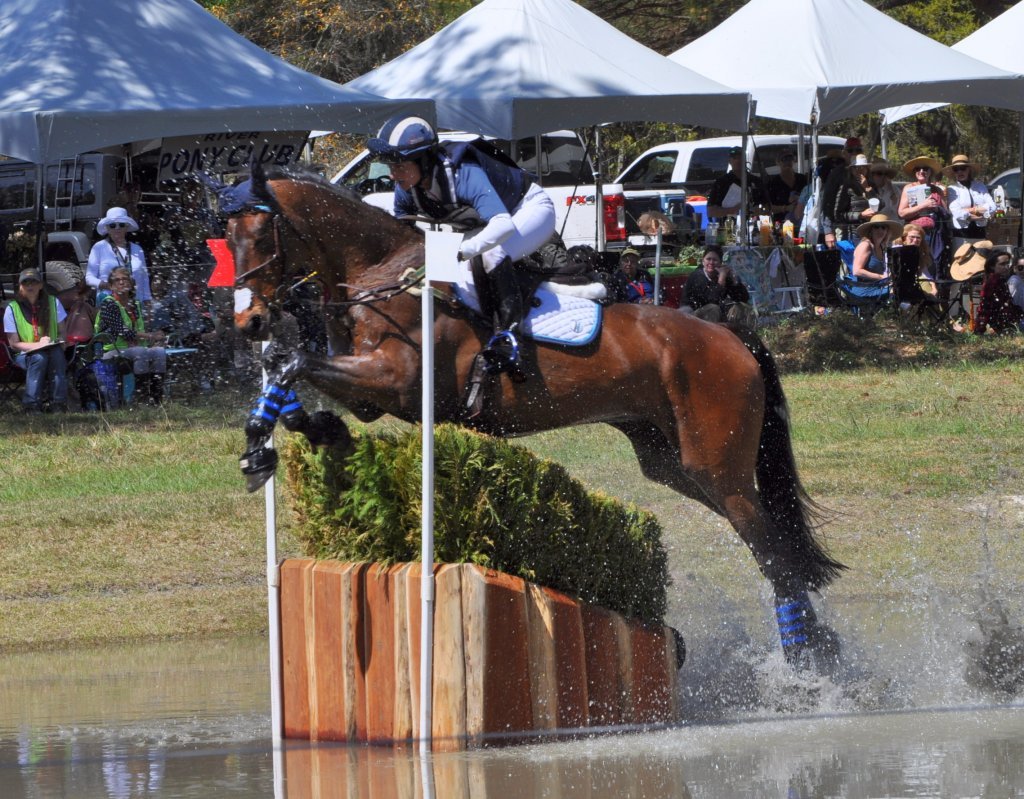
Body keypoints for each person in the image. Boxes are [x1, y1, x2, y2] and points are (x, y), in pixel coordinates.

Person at [367, 115, 555, 377]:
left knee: (492, 253)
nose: (392, 174)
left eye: (399, 165)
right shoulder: (405, 188)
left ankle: (511, 342)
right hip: (483, 224)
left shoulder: (462, 173)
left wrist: (460, 252)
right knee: (446, 270)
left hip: (528, 211)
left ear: (423, 160)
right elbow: (404, 237)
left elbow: (502, 226)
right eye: (390, 166)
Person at [94, 266, 167, 405]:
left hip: (133, 349)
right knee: (140, 352)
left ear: (131, 283)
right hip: (111, 352)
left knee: (159, 352)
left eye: (125, 279)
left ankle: (156, 400)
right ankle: (141, 399)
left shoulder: (135, 304)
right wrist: (151, 336)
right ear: (111, 286)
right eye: (117, 280)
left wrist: (156, 339)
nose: (121, 282)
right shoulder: (108, 304)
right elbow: (124, 332)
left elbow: (140, 329)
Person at [3, 268, 67, 412]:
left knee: (57, 354)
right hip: (23, 354)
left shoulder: (53, 302)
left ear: (41, 285)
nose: (30, 286)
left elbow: (63, 332)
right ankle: (31, 405)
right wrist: (38, 345)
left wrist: (60, 343)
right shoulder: (12, 308)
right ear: (20, 287)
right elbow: (14, 344)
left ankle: (58, 404)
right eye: (25, 283)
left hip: (51, 349)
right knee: (39, 357)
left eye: (34, 282)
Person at [86, 207, 153, 304]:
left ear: (127, 227)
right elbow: (89, 278)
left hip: (135, 303)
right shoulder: (99, 247)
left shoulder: (137, 249)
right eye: (112, 225)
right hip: (108, 302)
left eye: (121, 225)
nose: (117, 228)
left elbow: (145, 279)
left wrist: (147, 301)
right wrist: (110, 286)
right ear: (107, 228)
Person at [898, 156, 949, 268]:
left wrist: (938, 208)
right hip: (915, 235)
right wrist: (923, 206)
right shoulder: (909, 188)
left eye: (925, 169)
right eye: (918, 169)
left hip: (934, 235)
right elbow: (902, 213)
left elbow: (946, 214)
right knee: (914, 265)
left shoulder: (937, 190)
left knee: (933, 267)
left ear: (930, 172)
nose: (921, 171)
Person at [682, 245, 752, 325]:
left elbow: (743, 298)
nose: (711, 262)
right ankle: (711, 333)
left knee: (741, 307)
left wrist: (734, 280)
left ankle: (736, 333)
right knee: (713, 309)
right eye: (708, 259)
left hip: (712, 315)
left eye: (715, 260)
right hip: (690, 317)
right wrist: (721, 279)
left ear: (720, 263)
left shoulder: (722, 274)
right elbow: (712, 299)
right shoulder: (697, 276)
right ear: (703, 261)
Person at [942, 154, 996, 249]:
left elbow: (992, 206)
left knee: (980, 258)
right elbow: (957, 213)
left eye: (963, 168)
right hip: (961, 235)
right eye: (956, 169)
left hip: (980, 233)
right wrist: (981, 213)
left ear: (969, 170)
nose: (960, 172)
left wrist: (970, 210)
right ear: (954, 172)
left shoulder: (980, 186)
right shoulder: (952, 189)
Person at [821, 137, 864, 249]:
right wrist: (828, 231)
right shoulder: (837, 173)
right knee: (847, 258)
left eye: (858, 150)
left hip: (866, 228)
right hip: (844, 228)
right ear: (844, 153)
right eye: (850, 150)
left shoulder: (867, 171)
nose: (854, 153)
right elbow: (828, 202)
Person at [845, 214, 900, 301]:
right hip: (863, 291)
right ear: (871, 230)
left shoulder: (881, 247)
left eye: (883, 227)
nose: (880, 230)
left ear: (887, 231)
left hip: (878, 287)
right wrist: (882, 277)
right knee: (897, 292)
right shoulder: (865, 245)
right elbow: (856, 271)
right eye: (876, 227)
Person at [706, 146, 766, 224]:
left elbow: (768, 208)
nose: (738, 161)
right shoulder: (721, 182)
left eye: (740, 158)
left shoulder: (755, 181)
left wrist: (759, 210)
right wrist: (734, 210)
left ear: (745, 160)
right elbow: (711, 212)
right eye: (734, 158)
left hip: (754, 226)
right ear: (729, 161)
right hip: (728, 226)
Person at [975, 250, 1024, 334]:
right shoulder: (993, 281)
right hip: (999, 325)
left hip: (1005, 323)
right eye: (1002, 264)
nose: (1006, 267)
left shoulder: (1000, 279)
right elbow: (985, 306)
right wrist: (980, 329)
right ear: (992, 266)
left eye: (1007, 263)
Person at [832, 154, 876, 243]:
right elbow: (837, 215)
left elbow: (881, 204)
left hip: (870, 231)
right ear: (851, 170)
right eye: (856, 168)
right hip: (853, 234)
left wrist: (867, 188)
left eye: (863, 167)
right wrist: (860, 215)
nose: (860, 170)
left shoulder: (871, 185)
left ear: (867, 169)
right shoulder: (845, 188)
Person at [766, 149, 807, 226]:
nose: (787, 162)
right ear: (778, 162)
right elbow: (768, 207)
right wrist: (786, 208)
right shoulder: (773, 183)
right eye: (784, 159)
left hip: (802, 223)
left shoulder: (802, 179)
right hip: (780, 224)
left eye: (790, 159)